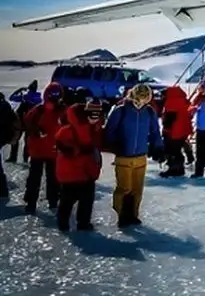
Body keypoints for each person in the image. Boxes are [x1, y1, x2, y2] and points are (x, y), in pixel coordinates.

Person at [103, 84, 165, 228]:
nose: (142, 102)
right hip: (124, 156)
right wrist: (114, 144)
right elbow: (109, 131)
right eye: (140, 98)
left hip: (141, 156)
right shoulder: (121, 110)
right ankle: (122, 214)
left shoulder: (149, 112)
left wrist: (158, 148)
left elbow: (155, 131)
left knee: (137, 189)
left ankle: (133, 215)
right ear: (133, 95)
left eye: (145, 99)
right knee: (124, 188)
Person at [54, 100, 104, 232]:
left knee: (86, 200)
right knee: (67, 200)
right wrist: (79, 150)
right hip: (70, 171)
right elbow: (61, 144)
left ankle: (83, 223)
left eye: (97, 115)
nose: (94, 118)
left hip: (87, 171)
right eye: (92, 115)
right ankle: (63, 224)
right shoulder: (68, 129)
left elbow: (98, 145)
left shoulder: (96, 129)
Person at [23, 81, 66, 215]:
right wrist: (37, 131)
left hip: (51, 151)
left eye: (56, 95)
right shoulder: (39, 110)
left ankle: (50, 201)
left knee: (51, 177)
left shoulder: (62, 110)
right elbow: (27, 124)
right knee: (38, 177)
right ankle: (33, 202)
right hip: (40, 150)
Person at [159, 85, 193, 178]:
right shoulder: (184, 101)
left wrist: (165, 131)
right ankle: (178, 168)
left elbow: (168, 121)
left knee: (173, 150)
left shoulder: (171, 103)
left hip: (174, 131)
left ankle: (175, 169)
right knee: (178, 150)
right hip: (183, 130)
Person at [8, 80, 40, 164]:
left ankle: (13, 157)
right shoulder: (38, 97)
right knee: (27, 141)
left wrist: (20, 90)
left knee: (16, 139)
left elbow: (11, 97)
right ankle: (25, 158)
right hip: (30, 122)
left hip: (22, 122)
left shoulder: (24, 96)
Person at [0, 91, 15, 198]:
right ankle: (3, 190)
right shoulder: (5, 104)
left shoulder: (4, 105)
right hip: (3, 136)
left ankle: (3, 190)